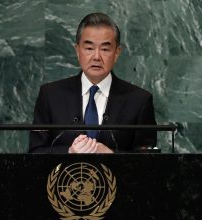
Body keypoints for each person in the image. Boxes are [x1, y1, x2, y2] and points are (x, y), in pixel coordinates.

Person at [29, 12, 157, 153]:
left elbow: (148, 161)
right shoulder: (51, 95)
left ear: (117, 53)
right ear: (77, 50)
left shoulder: (139, 100)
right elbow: (35, 152)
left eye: (105, 49)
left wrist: (112, 155)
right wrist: (69, 152)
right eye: (89, 48)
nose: (96, 57)